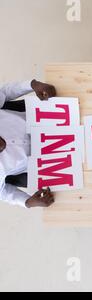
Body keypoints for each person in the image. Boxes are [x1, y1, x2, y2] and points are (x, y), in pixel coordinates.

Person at [0, 80, 56, 209]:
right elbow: (4, 193)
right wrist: (27, 202)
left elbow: (4, 93)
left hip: (49, 118)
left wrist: (32, 85)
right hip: (50, 159)